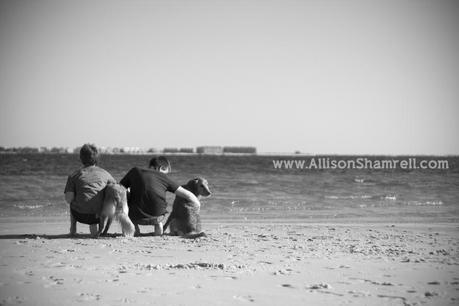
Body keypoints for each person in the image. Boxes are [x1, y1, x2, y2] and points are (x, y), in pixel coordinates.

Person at [120, 156, 200, 236]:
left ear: (150, 166)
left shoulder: (135, 171)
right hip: (157, 216)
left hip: (135, 215)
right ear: (161, 168)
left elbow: (119, 188)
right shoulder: (164, 178)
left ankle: (135, 229)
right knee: (159, 208)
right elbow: (188, 195)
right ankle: (158, 228)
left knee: (126, 194)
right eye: (165, 173)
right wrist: (197, 204)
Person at [64, 144, 116, 236]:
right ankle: (94, 231)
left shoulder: (74, 175)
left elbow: (68, 199)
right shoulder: (106, 174)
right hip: (99, 217)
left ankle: (73, 229)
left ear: (81, 158)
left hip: (79, 216)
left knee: (73, 201)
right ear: (97, 158)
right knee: (97, 199)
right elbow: (116, 189)